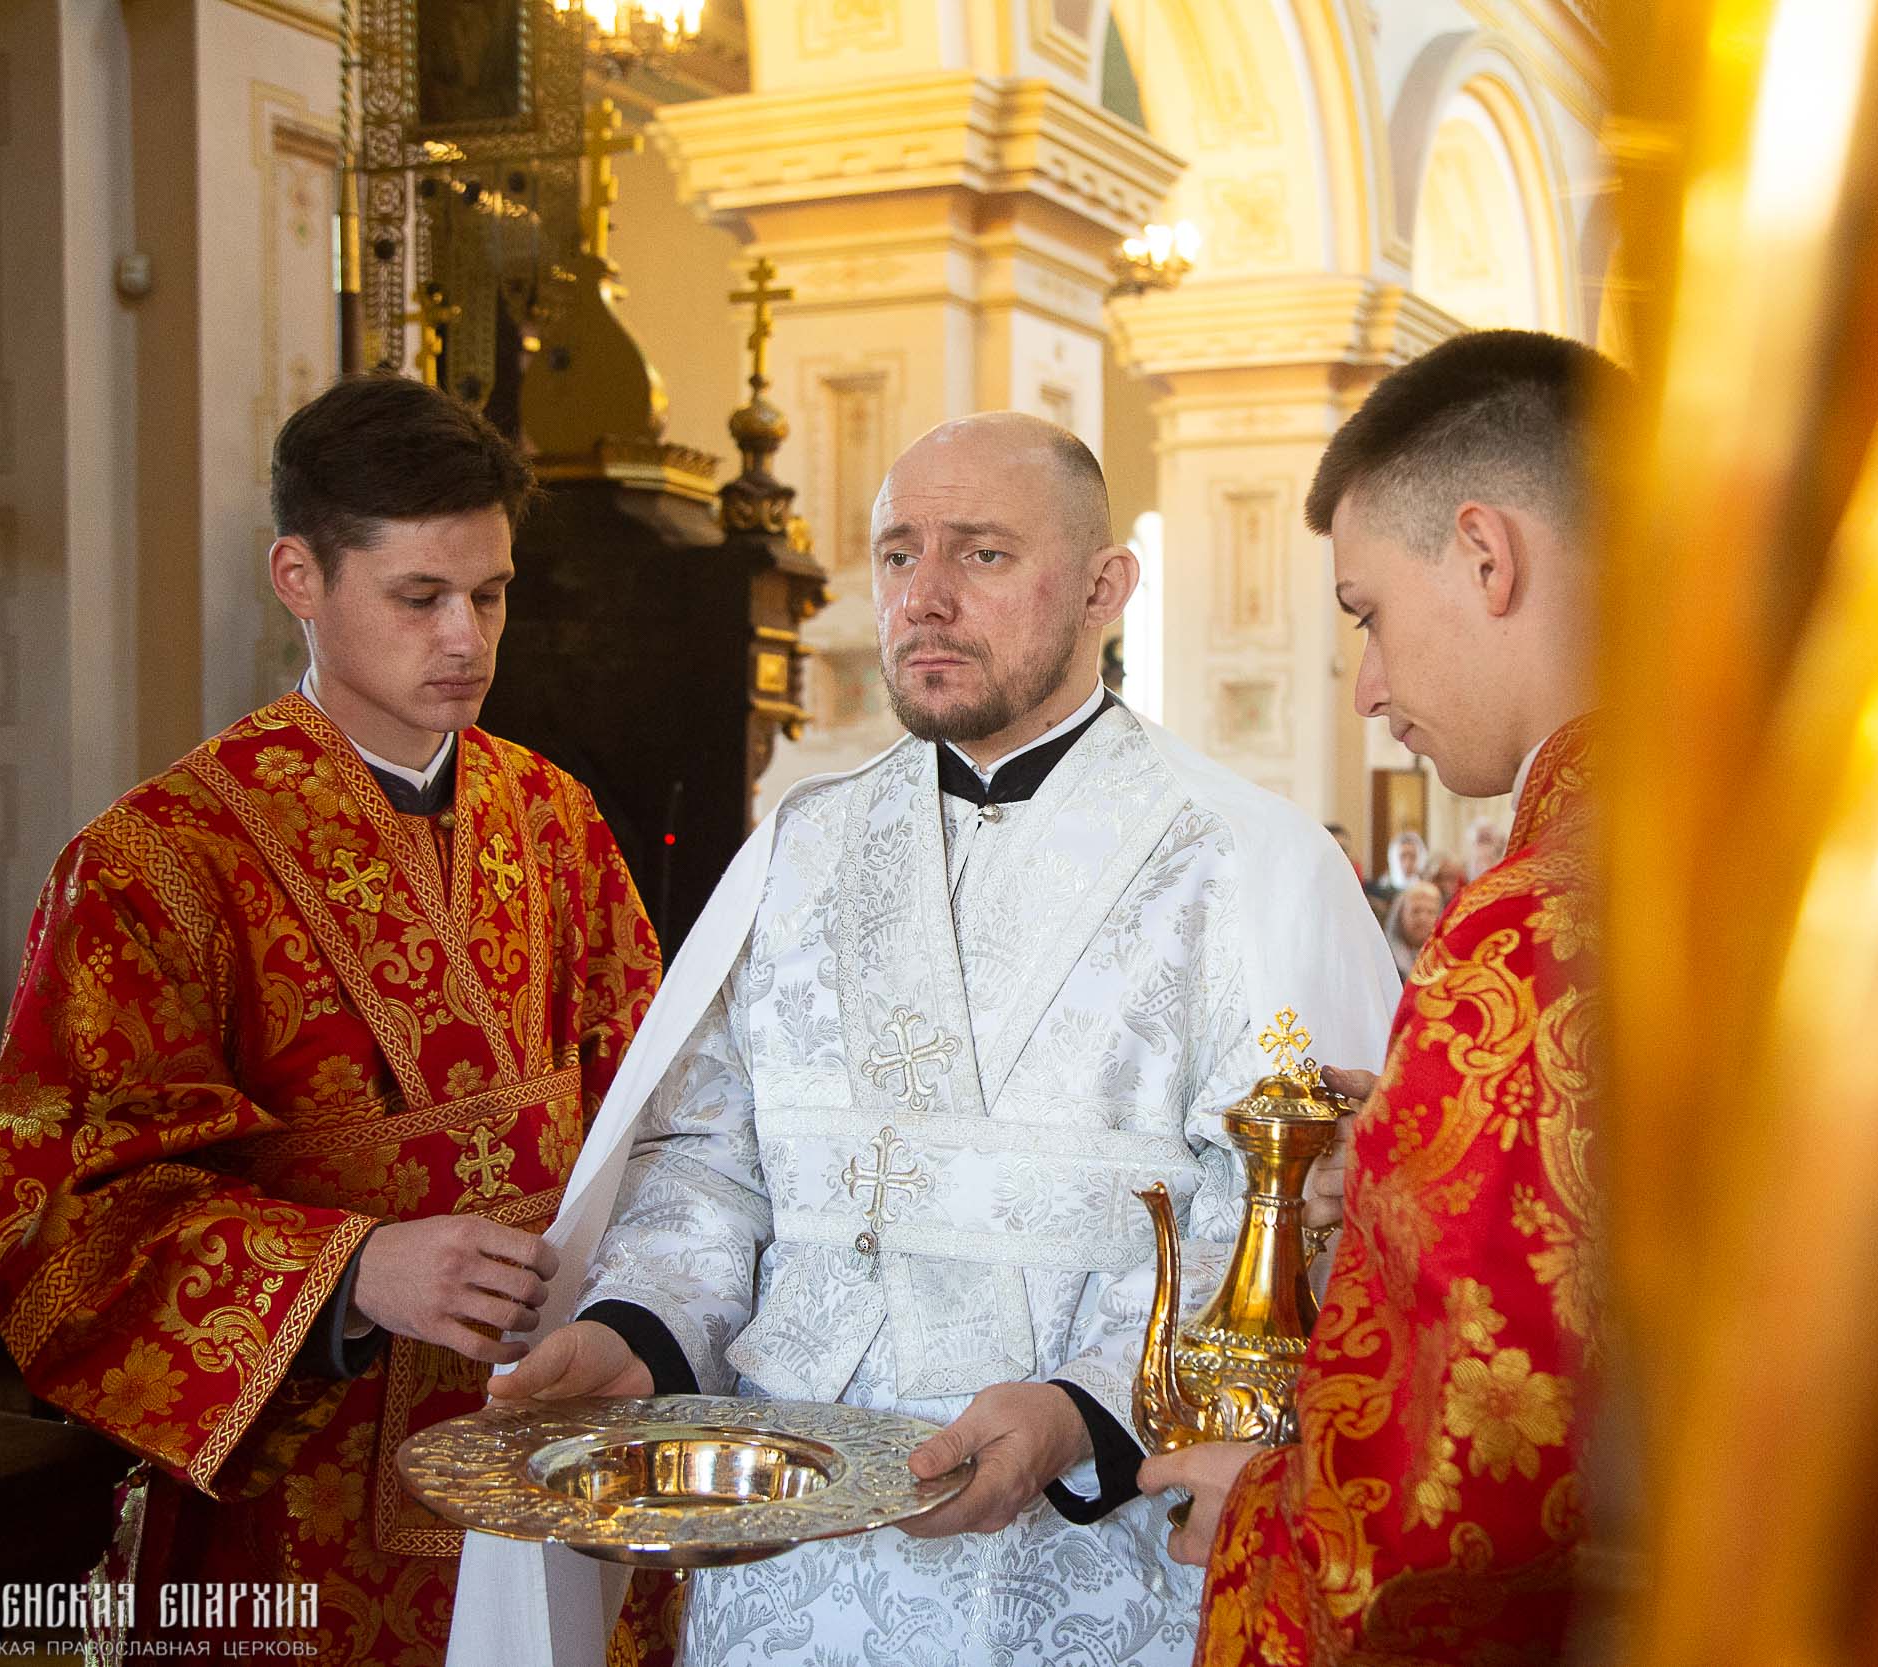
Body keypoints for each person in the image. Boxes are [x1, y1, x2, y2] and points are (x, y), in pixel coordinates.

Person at [449, 412, 1398, 1667]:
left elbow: (1286, 1218)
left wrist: (1079, 1412)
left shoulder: (1244, 862)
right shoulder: (804, 846)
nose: (926, 597)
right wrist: (639, 1328)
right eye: (900, 554)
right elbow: (710, 1158)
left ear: (1106, 587)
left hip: (1091, 1556)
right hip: (794, 1550)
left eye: (983, 554)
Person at [0, 373, 672, 1667]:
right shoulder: (156, 862)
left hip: (562, 1438)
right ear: (299, 575)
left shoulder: (557, 819)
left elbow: (665, 1110)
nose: (465, 637)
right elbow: (61, 1222)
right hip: (304, 1506)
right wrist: (354, 1271)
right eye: (420, 595)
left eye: (491, 594)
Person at [1140, 329, 1621, 1663]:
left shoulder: (1531, 926)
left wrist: (1256, 1509)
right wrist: (1412, 1158)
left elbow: (1454, 1515)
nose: (1367, 687)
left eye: (1367, 613)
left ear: (1485, 554)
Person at [1363, 827, 1429, 920]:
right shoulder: (1380, 889)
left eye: (1412, 856)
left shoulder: (1427, 890)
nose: (1408, 862)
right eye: (1403, 856)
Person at [1384, 878, 1444, 979]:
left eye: (1430, 912)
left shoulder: (1447, 962)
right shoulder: (1385, 959)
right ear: (1400, 915)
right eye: (1416, 911)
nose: (1422, 919)